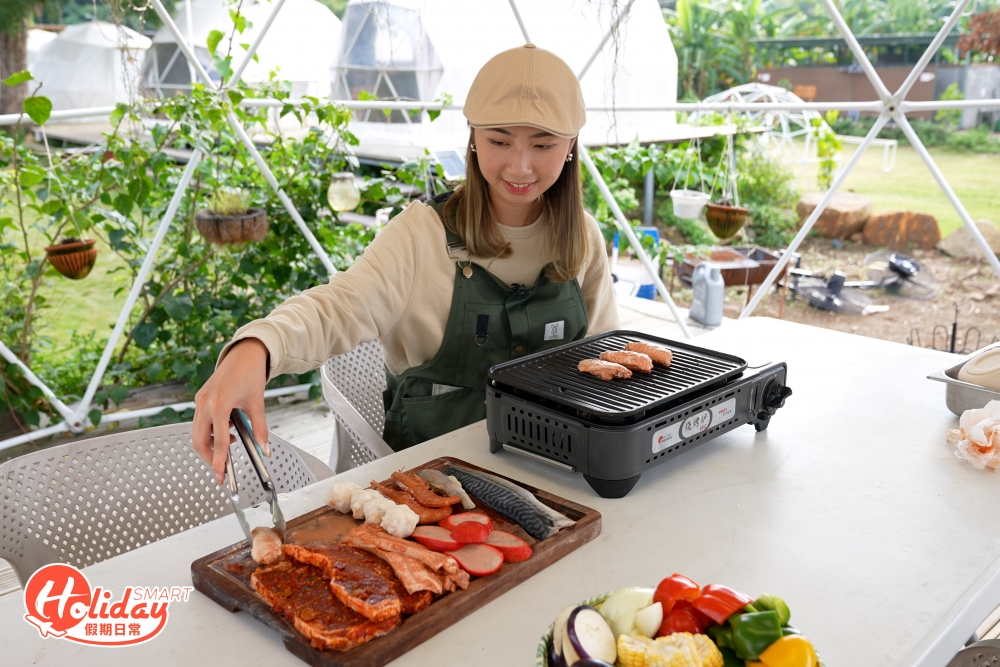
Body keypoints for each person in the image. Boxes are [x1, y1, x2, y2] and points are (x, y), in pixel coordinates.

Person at [192, 44, 619, 484]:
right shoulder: (420, 236)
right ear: (473, 137)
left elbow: (607, 356)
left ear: (571, 146)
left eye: (543, 144)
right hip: (432, 494)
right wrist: (256, 349)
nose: (520, 165)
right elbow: (337, 307)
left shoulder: (582, 237)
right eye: (499, 140)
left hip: (556, 477)